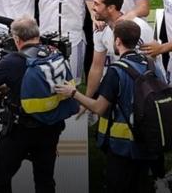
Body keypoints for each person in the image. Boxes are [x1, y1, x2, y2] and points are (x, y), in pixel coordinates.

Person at [56, 20, 156, 192]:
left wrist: (74, 93)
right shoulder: (150, 64)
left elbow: (99, 108)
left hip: (122, 145)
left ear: (117, 41)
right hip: (147, 140)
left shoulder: (115, 71)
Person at [0, 17, 69, 193]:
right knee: (45, 180)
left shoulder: (12, 60)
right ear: (37, 34)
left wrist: (5, 85)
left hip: (19, 129)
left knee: (0, 180)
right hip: (49, 127)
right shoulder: (54, 52)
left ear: (16, 39)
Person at [84, 0, 161, 101]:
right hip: (123, 81)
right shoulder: (100, 30)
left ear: (111, 8)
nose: (92, 8)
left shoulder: (138, 28)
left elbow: (149, 64)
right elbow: (96, 67)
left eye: (96, 4)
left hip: (147, 87)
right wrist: (87, 100)